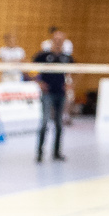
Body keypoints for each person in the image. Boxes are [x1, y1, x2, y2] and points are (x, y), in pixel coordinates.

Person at [29, 27, 70, 162]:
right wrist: (39, 82)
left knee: (59, 123)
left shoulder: (66, 57)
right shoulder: (43, 55)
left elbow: (78, 70)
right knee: (45, 122)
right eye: (56, 39)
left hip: (61, 93)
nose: (58, 42)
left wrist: (70, 84)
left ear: (64, 41)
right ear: (52, 40)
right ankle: (39, 153)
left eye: (61, 40)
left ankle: (57, 153)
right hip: (47, 94)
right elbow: (29, 69)